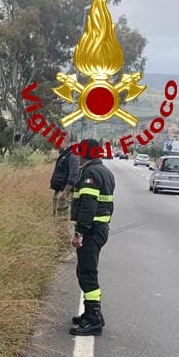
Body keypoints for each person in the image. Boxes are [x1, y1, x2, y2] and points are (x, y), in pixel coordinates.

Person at [69, 138, 115, 336]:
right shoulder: (104, 171)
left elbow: (88, 205)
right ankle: (90, 314)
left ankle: (94, 319)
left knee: (87, 274)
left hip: (91, 230)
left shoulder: (90, 173)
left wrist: (79, 233)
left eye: (80, 152)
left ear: (85, 154)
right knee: (86, 271)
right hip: (99, 228)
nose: (78, 156)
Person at [50, 139, 79, 218]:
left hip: (65, 192)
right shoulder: (65, 154)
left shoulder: (73, 155)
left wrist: (65, 192)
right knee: (56, 217)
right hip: (59, 190)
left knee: (63, 219)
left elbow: (74, 174)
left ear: (66, 142)